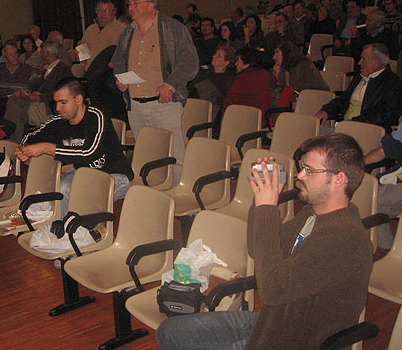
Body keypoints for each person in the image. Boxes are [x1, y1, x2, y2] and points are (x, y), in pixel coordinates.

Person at [157, 133, 373, 350]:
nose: (300, 175)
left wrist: (267, 207)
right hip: (273, 321)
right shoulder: (312, 215)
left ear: (339, 179)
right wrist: (260, 198)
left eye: (310, 170)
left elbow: (271, 289)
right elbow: (256, 246)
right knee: (170, 331)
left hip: (296, 340)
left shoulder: (345, 239)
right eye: (302, 167)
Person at [112, 0, 199, 184]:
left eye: (136, 3)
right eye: (130, 4)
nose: (131, 8)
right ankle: (154, 194)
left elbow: (190, 62)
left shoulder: (173, 29)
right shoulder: (127, 34)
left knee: (174, 154)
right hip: (135, 106)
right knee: (147, 155)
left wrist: (170, 85)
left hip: (163, 104)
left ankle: (181, 194)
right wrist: (121, 78)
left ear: (151, 5)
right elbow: (117, 61)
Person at [17, 78, 133, 216]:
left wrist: (45, 147)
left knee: (80, 198)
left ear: (78, 99)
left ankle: (81, 230)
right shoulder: (59, 120)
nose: (58, 108)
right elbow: (29, 136)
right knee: (60, 188)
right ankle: (63, 228)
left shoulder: (97, 117)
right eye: (56, 103)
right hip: (82, 173)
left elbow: (89, 153)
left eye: (63, 102)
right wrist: (24, 149)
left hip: (115, 176)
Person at [316, 43, 402, 133]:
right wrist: (327, 111)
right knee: (311, 134)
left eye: (363, 59)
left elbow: (386, 115)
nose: (359, 63)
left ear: (376, 62)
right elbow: (343, 100)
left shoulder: (392, 83)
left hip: (368, 131)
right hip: (345, 127)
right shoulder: (359, 78)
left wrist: (355, 122)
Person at [6, 40, 72, 142]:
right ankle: (14, 142)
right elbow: (38, 86)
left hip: (48, 107)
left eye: (41, 53)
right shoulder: (48, 70)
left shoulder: (63, 69)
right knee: (14, 101)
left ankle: (13, 142)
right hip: (40, 103)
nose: (40, 56)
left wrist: (39, 97)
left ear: (47, 54)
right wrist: (28, 91)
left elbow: (63, 94)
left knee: (14, 106)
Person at [364, 120, 402, 250]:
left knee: (376, 198)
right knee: (374, 200)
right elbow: (383, 151)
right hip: (399, 183)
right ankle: (389, 249)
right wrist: (360, 162)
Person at [223, 47, 277, 125]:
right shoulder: (267, 76)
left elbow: (229, 104)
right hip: (264, 121)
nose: (235, 64)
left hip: (243, 122)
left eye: (238, 61)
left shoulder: (241, 79)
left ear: (247, 64)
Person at [75, 0, 126, 74]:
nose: (103, 13)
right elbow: (83, 55)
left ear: (114, 12)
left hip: (110, 73)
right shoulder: (90, 29)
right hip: (90, 72)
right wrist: (79, 55)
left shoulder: (121, 29)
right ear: (96, 12)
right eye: (100, 10)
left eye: (107, 10)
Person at [0, 44, 36, 118]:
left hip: (21, 101)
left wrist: (27, 91)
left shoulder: (27, 69)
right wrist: (12, 94)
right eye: (11, 55)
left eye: (16, 53)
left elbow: (36, 86)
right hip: (3, 101)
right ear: (5, 58)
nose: (15, 57)